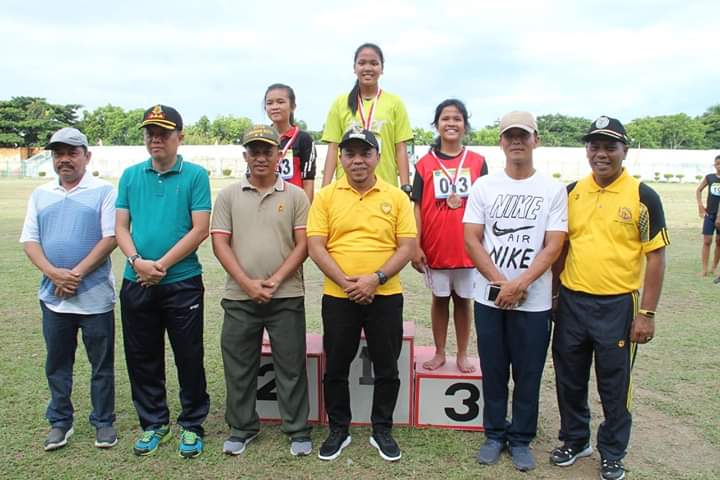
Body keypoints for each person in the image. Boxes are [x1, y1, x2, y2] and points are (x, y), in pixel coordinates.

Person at [550, 116, 669, 480]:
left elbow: (656, 256)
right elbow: (560, 248)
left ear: (624, 151)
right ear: (586, 150)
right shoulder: (571, 192)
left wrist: (646, 313)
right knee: (569, 377)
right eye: (594, 146)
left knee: (614, 384)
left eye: (609, 147)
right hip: (572, 301)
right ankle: (575, 438)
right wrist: (555, 295)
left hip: (617, 305)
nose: (601, 154)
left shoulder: (643, 196)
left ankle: (613, 450)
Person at [463, 111, 568, 472]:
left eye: (523, 135)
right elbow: (472, 239)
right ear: (501, 142)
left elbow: (553, 246)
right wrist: (500, 284)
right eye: (510, 136)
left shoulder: (552, 189)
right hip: (489, 297)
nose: (517, 142)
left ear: (536, 140)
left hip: (533, 301)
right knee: (493, 369)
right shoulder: (484, 186)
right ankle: (494, 434)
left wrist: (520, 284)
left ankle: (521, 438)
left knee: (528, 372)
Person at [307, 127, 415, 462]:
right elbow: (315, 245)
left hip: (385, 295)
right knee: (336, 365)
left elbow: (408, 246)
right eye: (350, 154)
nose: (357, 161)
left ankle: (382, 428)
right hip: (339, 297)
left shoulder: (396, 196)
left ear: (377, 158)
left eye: (365, 153)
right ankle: (339, 428)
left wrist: (376, 279)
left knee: (387, 366)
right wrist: (347, 282)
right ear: (340, 158)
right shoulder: (326, 196)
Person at [115, 104, 211, 459]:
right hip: (135, 280)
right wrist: (137, 262)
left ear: (179, 137)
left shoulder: (195, 175)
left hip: (182, 281)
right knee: (142, 356)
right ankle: (153, 423)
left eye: (164, 133)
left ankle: (192, 424)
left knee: (188, 355)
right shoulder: (130, 175)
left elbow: (200, 228)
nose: (156, 139)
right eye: (150, 133)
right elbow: (121, 227)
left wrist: (161, 266)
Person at [211, 125, 312, 457]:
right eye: (253, 151)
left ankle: (297, 429)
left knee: (291, 364)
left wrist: (276, 279)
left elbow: (303, 245)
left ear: (278, 155)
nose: (260, 157)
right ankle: (241, 427)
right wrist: (247, 282)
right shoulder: (228, 195)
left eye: (267, 151)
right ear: (245, 156)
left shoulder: (296, 195)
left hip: (286, 295)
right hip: (240, 297)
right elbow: (220, 243)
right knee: (238, 365)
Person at [20, 127, 118, 451]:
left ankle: (103, 422)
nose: (64, 159)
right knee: (57, 364)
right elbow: (30, 241)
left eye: (72, 153)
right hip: (53, 299)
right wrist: (53, 274)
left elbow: (110, 238)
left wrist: (73, 275)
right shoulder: (40, 194)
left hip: (95, 298)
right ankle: (60, 422)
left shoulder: (104, 191)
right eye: (58, 153)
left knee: (101, 366)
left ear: (86, 156)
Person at [410, 99, 487, 372]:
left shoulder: (478, 162)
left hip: (468, 247)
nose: (451, 123)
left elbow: (486, 205)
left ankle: (463, 354)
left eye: (457, 118)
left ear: (465, 125)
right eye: (445, 118)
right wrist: (415, 245)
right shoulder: (424, 164)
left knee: (464, 301)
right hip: (436, 246)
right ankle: (440, 351)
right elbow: (417, 206)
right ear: (436, 124)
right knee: (440, 299)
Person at [320, 42, 413, 194]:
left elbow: (400, 149)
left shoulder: (395, 103)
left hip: (384, 188)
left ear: (382, 68)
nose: (368, 68)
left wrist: (405, 187)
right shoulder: (340, 103)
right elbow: (333, 148)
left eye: (374, 63)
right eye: (362, 63)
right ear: (354, 68)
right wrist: (325, 190)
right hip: (346, 188)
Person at [264, 83, 317, 202]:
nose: (275, 107)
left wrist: (305, 211)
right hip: (267, 202)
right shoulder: (262, 138)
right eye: (269, 103)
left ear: (292, 106)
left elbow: (308, 181)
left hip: (293, 204)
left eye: (280, 102)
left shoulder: (304, 139)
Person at [695, 154, 720, 277]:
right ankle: (704, 269)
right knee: (707, 241)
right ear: (714, 165)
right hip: (709, 214)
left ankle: (714, 268)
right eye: (717, 164)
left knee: (719, 241)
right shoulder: (709, 178)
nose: (719, 166)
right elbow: (698, 190)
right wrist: (700, 205)